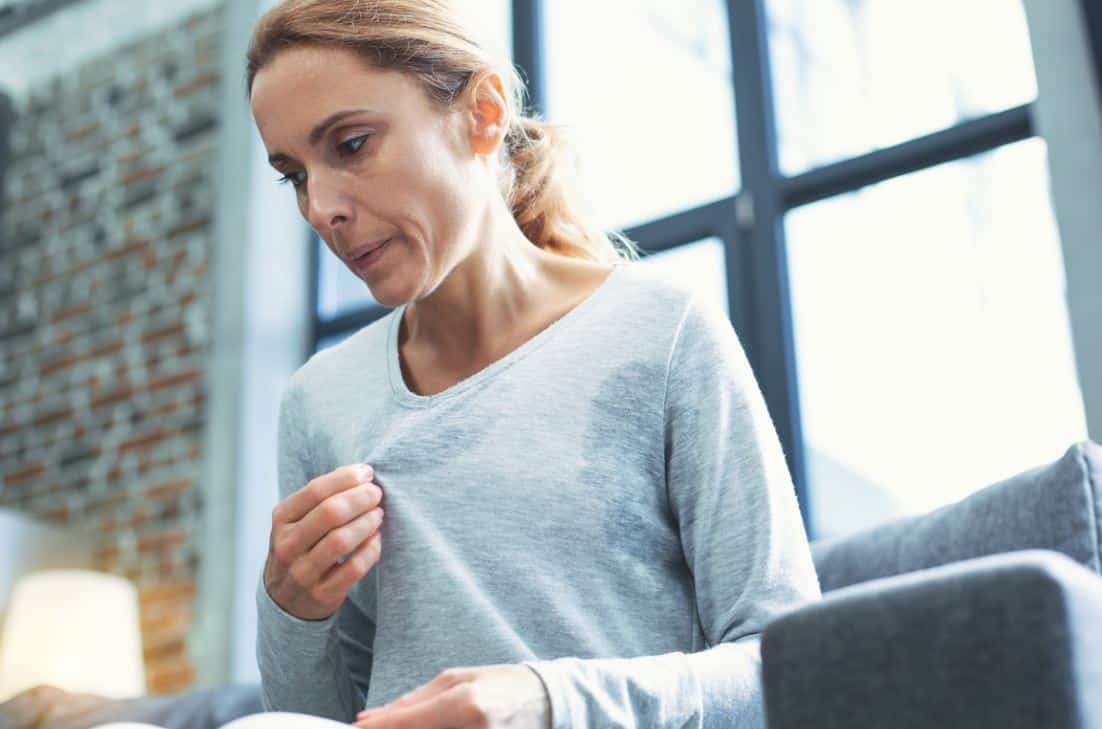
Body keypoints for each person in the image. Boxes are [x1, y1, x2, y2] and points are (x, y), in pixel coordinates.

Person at [247, 1, 823, 728]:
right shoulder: (318, 402)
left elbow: (791, 665)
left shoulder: (662, 331)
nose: (321, 207)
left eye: (352, 144)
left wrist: (551, 702)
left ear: (482, 114)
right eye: (293, 176)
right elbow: (314, 719)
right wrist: (289, 610)